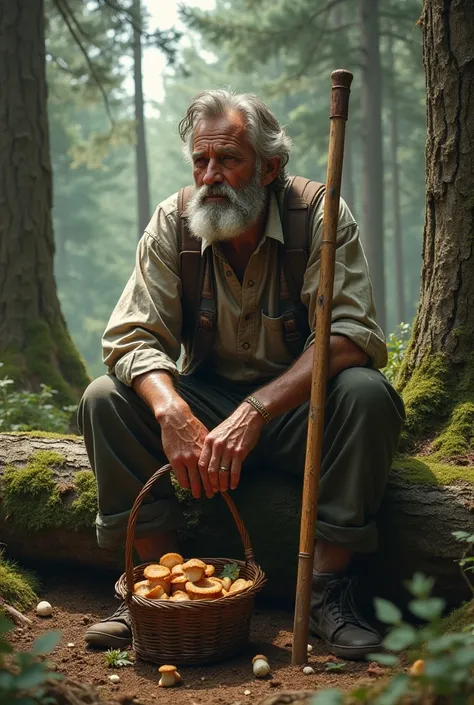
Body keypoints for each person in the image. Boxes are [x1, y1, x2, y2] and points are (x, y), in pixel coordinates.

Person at [78, 89, 405, 660]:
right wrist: (171, 409)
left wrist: (256, 410)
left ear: (270, 167)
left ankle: (329, 593)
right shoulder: (173, 224)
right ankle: (158, 587)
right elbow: (130, 336)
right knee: (106, 397)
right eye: (201, 161)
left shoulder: (319, 215)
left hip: (303, 409)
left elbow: (350, 335)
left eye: (228, 159)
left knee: (366, 392)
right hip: (204, 405)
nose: (210, 176)